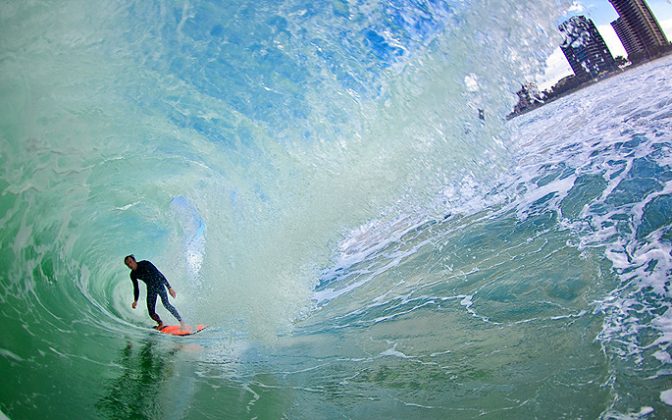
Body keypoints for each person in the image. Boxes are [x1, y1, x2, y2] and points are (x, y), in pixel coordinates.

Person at [124, 255, 186, 331]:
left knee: (166, 304)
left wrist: (169, 287)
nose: (130, 265)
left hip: (159, 285)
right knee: (151, 312)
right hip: (151, 289)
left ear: (134, 260)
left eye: (130, 262)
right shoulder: (133, 274)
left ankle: (182, 322)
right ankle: (160, 323)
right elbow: (136, 288)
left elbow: (159, 274)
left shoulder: (145, 264)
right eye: (128, 264)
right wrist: (135, 301)